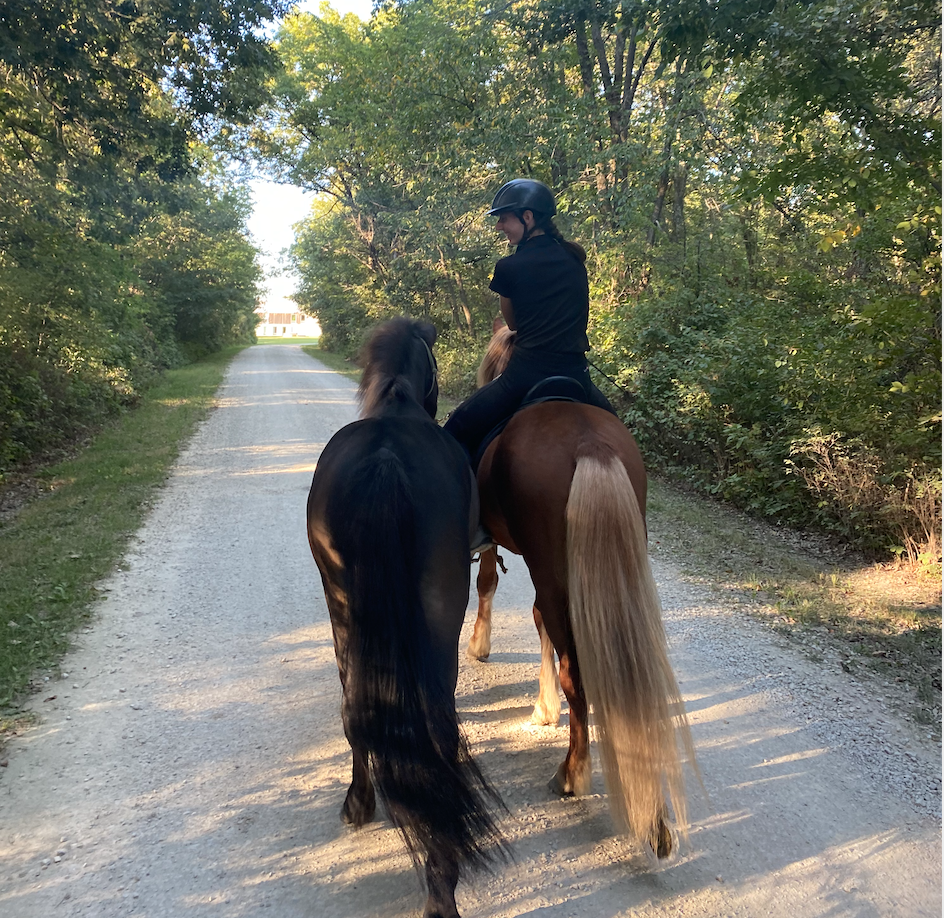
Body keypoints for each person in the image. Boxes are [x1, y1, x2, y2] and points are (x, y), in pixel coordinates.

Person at [444, 178, 617, 469]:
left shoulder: (509, 267)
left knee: (453, 433)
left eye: (504, 219)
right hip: (577, 375)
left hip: (525, 375)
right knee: (620, 437)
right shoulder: (575, 260)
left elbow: (512, 323)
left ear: (528, 217)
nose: (499, 226)